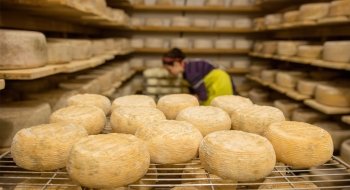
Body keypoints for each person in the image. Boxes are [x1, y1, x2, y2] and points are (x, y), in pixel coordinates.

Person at [162, 48, 235, 105]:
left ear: (177, 63)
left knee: (219, 107)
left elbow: (203, 96)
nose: (169, 73)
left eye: (169, 70)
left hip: (220, 81)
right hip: (217, 80)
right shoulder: (187, 71)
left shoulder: (190, 72)